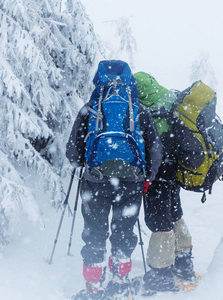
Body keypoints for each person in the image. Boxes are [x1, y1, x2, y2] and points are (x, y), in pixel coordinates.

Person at [66, 61, 163, 299]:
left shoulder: (90, 109)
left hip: (95, 182)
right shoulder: (139, 110)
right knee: (124, 232)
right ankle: (120, 283)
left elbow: (72, 152)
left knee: (95, 233)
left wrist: (82, 164)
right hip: (131, 182)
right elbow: (155, 150)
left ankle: (94, 288)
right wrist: (147, 177)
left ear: (98, 81)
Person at [133, 72, 205, 292]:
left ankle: (160, 274)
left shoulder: (146, 109)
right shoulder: (169, 98)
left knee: (160, 222)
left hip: (158, 173)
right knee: (174, 213)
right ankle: (184, 261)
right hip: (174, 170)